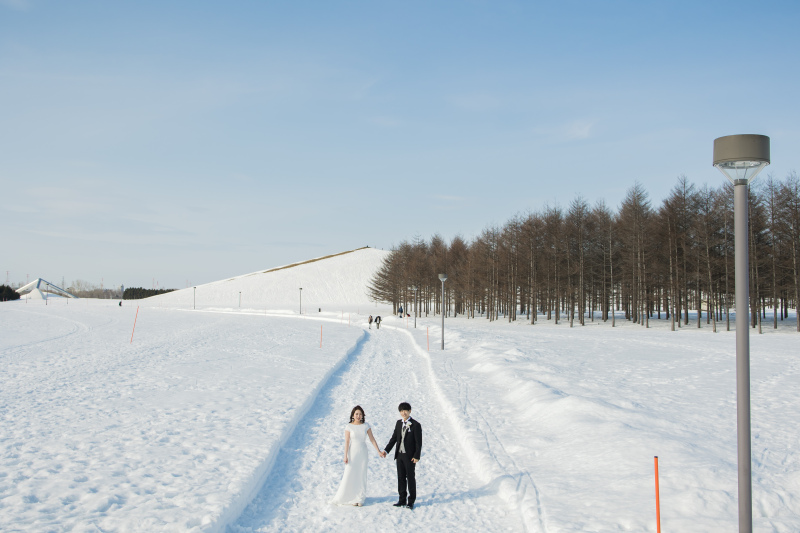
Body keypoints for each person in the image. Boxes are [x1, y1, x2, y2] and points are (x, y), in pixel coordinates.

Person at [331, 405, 384, 507]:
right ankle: (350, 496)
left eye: (360, 414)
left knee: (361, 473)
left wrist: (378, 451)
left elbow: (372, 439)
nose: (358, 416)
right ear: (353, 415)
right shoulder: (349, 426)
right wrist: (345, 456)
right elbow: (347, 442)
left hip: (363, 452)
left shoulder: (366, 426)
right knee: (350, 473)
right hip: (352, 452)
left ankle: (359, 497)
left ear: (363, 415)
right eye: (356, 414)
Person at [383, 402, 422, 510]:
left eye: (405, 410)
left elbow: (418, 443)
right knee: (401, 478)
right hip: (399, 455)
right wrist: (386, 450)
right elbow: (394, 438)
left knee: (410, 478)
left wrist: (416, 456)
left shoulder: (416, 425)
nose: (403, 413)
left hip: (410, 456)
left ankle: (411, 500)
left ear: (410, 411)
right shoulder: (398, 423)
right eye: (401, 411)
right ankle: (402, 499)